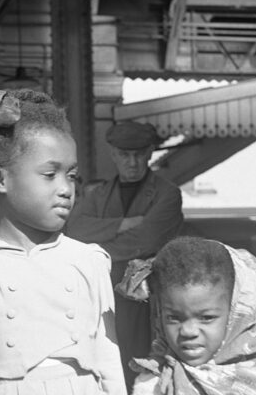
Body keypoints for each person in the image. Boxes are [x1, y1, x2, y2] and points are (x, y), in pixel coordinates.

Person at [0, 89, 126, 394]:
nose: (66, 189)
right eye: (49, 174)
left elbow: (108, 358)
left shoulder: (88, 261)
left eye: (71, 176)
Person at [66, 121, 183, 390]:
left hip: (149, 300)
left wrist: (97, 249)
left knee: (150, 369)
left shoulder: (168, 194)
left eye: (139, 154)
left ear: (150, 152)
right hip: (105, 296)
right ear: (113, 154)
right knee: (108, 365)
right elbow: (74, 228)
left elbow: (147, 240)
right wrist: (125, 224)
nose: (132, 162)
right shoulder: (99, 193)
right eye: (124, 155)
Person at [125, 236, 256, 395]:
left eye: (207, 318)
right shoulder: (155, 382)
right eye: (173, 318)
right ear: (159, 315)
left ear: (240, 315)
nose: (188, 331)